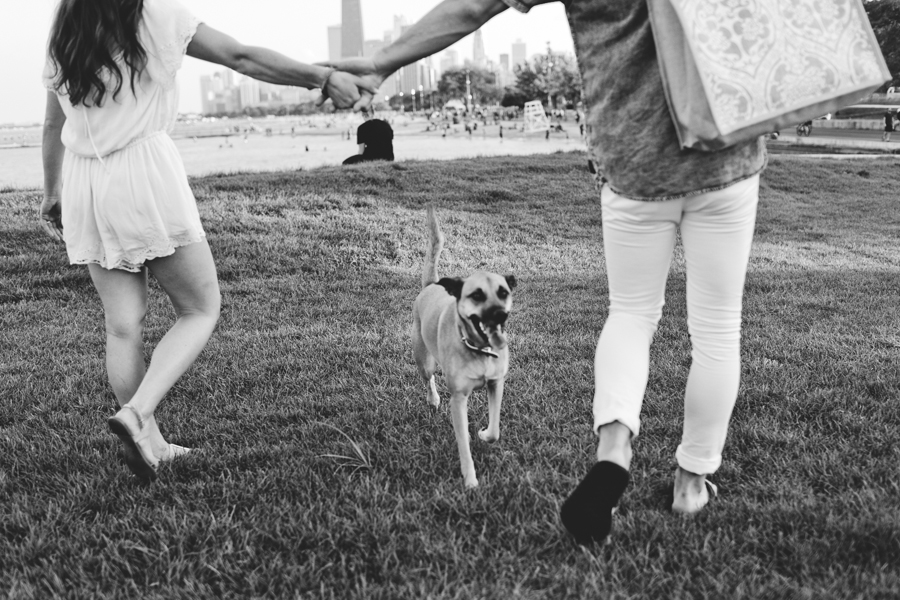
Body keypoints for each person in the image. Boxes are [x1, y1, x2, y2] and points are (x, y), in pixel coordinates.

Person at [325, 0, 766, 545]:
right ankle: (691, 483)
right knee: (718, 330)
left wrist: (380, 63)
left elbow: (470, 8)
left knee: (630, 315)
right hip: (727, 147)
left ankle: (613, 451)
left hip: (632, 155)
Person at [40, 0, 372, 481]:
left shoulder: (63, 29)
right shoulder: (151, 14)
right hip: (142, 171)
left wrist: (52, 192)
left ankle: (149, 442)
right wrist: (322, 77)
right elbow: (240, 57)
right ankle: (138, 414)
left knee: (122, 325)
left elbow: (54, 123)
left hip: (84, 182)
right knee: (200, 308)